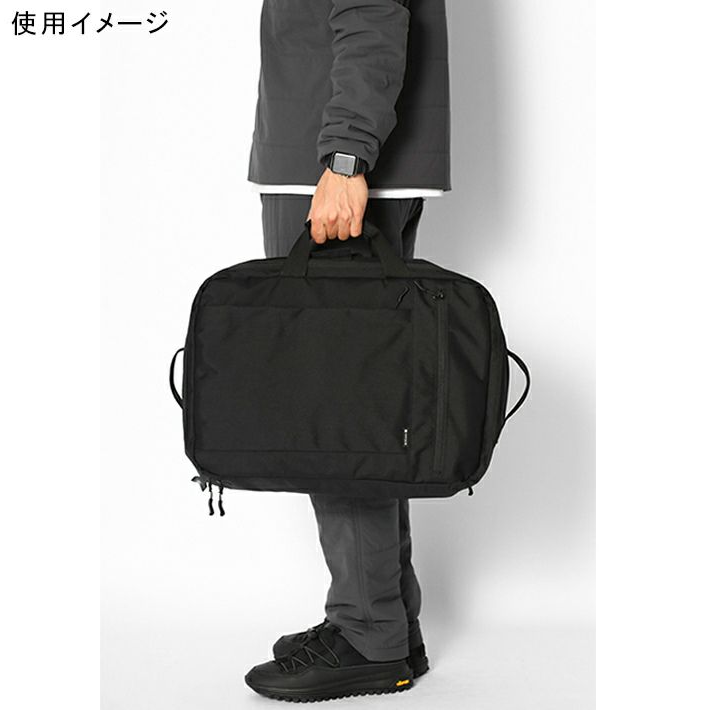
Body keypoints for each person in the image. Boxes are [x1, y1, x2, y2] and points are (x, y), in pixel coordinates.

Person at [244, 0, 451, 701]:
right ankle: (388, 620)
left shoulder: (341, 161)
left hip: (336, 167)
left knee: (335, 410)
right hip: (342, 158)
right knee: (361, 405)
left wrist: (344, 157)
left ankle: (367, 630)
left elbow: (371, 15)